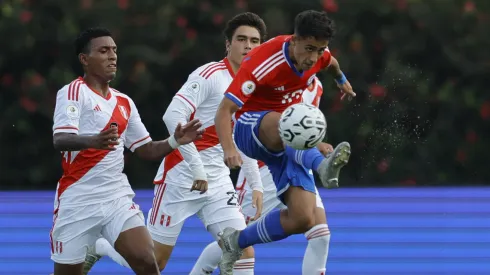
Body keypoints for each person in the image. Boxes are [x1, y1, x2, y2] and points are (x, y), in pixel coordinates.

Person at [81, 13, 268, 275]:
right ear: (228, 44)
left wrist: (256, 184)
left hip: (218, 181)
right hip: (181, 177)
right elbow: (172, 116)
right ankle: (100, 246)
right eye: (242, 39)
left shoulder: (254, 86)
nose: (248, 46)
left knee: (242, 251)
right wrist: (197, 169)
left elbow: (243, 135)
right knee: (154, 263)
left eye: (255, 41)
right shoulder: (210, 75)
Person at [50, 27, 204, 275]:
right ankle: (95, 248)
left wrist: (174, 141)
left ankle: (101, 247)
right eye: (103, 51)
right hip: (78, 198)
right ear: (84, 59)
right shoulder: (73, 92)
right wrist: (93, 141)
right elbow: (60, 139)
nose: (112, 56)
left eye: (114, 50)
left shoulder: (124, 102)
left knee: (146, 260)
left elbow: (146, 150)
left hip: (115, 196)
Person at [214, 10, 356, 274]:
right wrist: (229, 149)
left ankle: (236, 241)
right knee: (292, 120)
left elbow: (331, 62)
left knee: (304, 218)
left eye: (320, 49)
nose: (313, 57)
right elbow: (223, 111)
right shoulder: (262, 61)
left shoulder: (319, 56)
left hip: (289, 140)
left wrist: (341, 80)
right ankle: (321, 166)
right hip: (251, 129)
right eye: (309, 48)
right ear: (294, 40)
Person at [194, 76, 334, 275]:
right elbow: (257, 123)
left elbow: (302, 133)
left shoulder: (317, 86)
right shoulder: (277, 75)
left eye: (321, 52)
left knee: (320, 234)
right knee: (236, 241)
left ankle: (321, 166)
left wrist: (318, 144)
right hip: (264, 169)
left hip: (297, 165)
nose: (314, 58)